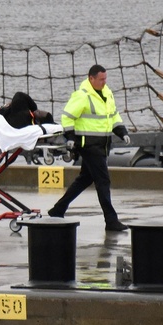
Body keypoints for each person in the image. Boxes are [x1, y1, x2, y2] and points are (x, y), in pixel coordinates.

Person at [47, 64, 131, 231]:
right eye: (101, 79)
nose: (104, 82)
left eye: (105, 79)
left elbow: (113, 115)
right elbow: (67, 117)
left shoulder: (107, 93)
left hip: (102, 144)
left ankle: (58, 209)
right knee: (103, 180)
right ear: (91, 79)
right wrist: (70, 138)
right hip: (88, 145)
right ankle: (111, 220)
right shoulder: (82, 96)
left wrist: (122, 131)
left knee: (85, 178)